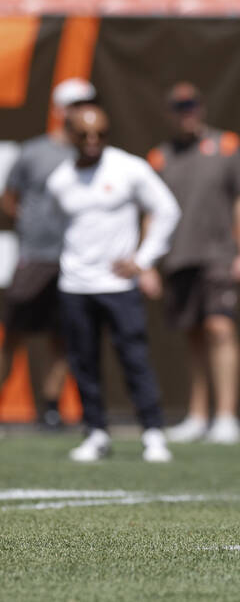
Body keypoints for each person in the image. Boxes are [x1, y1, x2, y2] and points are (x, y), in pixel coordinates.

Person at [47, 104, 181, 462]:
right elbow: (66, 229)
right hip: (75, 285)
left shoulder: (128, 168)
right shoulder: (59, 180)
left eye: (100, 134)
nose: (93, 142)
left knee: (134, 359)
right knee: (83, 363)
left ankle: (153, 433)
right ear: (70, 135)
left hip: (118, 287)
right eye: (85, 135)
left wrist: (142, 260)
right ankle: (96, 433)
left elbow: (167, 209)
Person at [149, 83, 240, 445]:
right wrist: (148, 262)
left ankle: (226, 416)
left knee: (220, 329)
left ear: (202, 107)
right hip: (179, 257)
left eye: (191, 105)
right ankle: (197, 415)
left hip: (218, 255)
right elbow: (150, 214)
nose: (186, 112)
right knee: (192, 337)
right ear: (169, 113)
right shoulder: (159, 157)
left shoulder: (226, 146)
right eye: (179, 107)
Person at [0, 79, 94, 428]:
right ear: (58, 110)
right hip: (36, 254)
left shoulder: (93, 153)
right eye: (74, 104)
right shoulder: (34, 151)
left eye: (86, 103)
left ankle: (51, 407)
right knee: (14, 331)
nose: (80, 110)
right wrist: (30, 223)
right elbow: (11, 196)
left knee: (64, 335)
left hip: (74, 258)